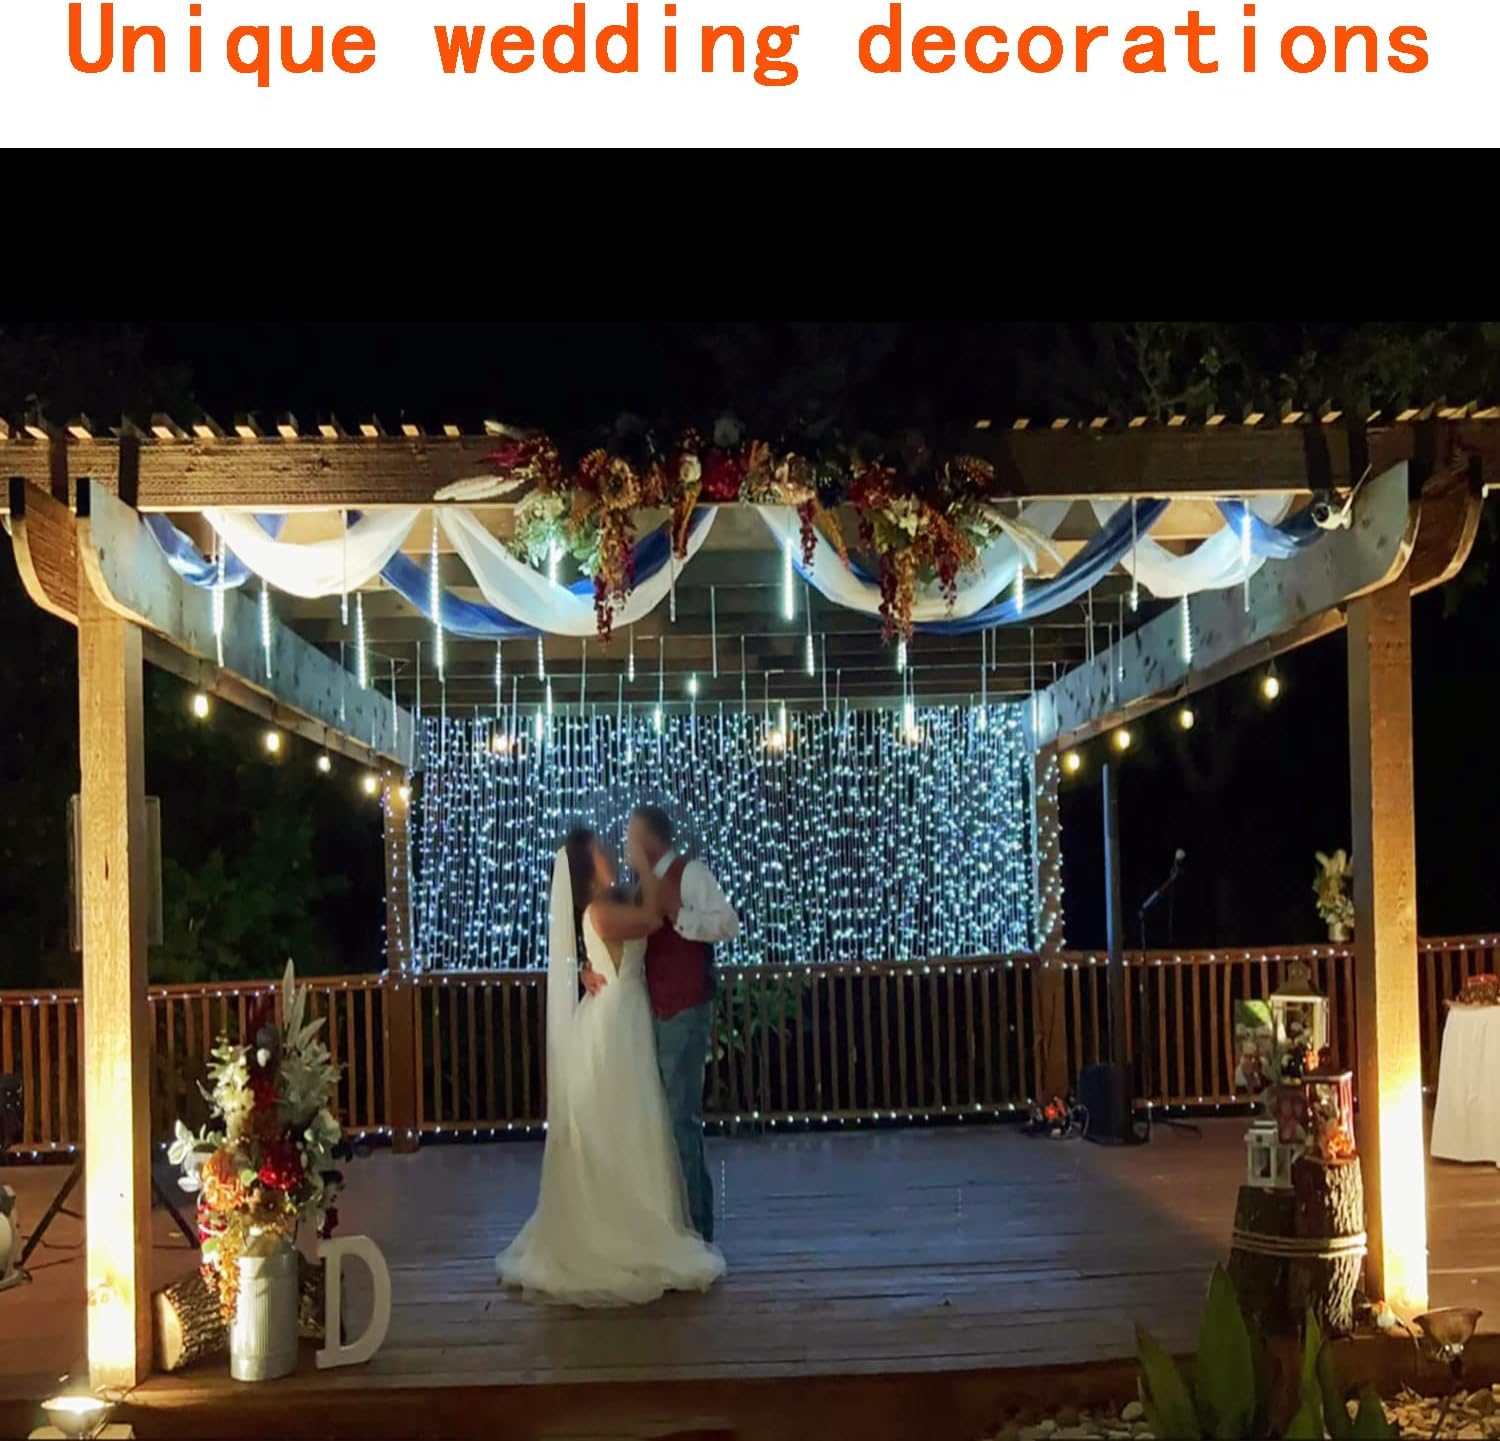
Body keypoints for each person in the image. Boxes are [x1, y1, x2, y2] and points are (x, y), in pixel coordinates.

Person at [495, 826, 725, 1306]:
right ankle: (623, 1227)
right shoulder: (601, 911)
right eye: (602, 851)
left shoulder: (610, 903)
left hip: (629, 1016)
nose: (610, 852)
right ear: (588, 868)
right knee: (621, 1123)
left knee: (636, 1125)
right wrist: (651, 862)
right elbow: (652, 920)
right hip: (615, 1022)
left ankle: (651, 1214)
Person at [582, 805, 739, 1243]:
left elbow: (729, 923)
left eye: (631, 836)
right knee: (656, 1120)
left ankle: (699, 1230)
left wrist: (682, 918)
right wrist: (589, 966)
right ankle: (669, 1222)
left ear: (650, 839)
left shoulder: (691, 874)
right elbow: (621, 940)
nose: (626, 846)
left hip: (685, 1009)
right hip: (645, 1014)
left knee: (680, 1118)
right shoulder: (640, 888)